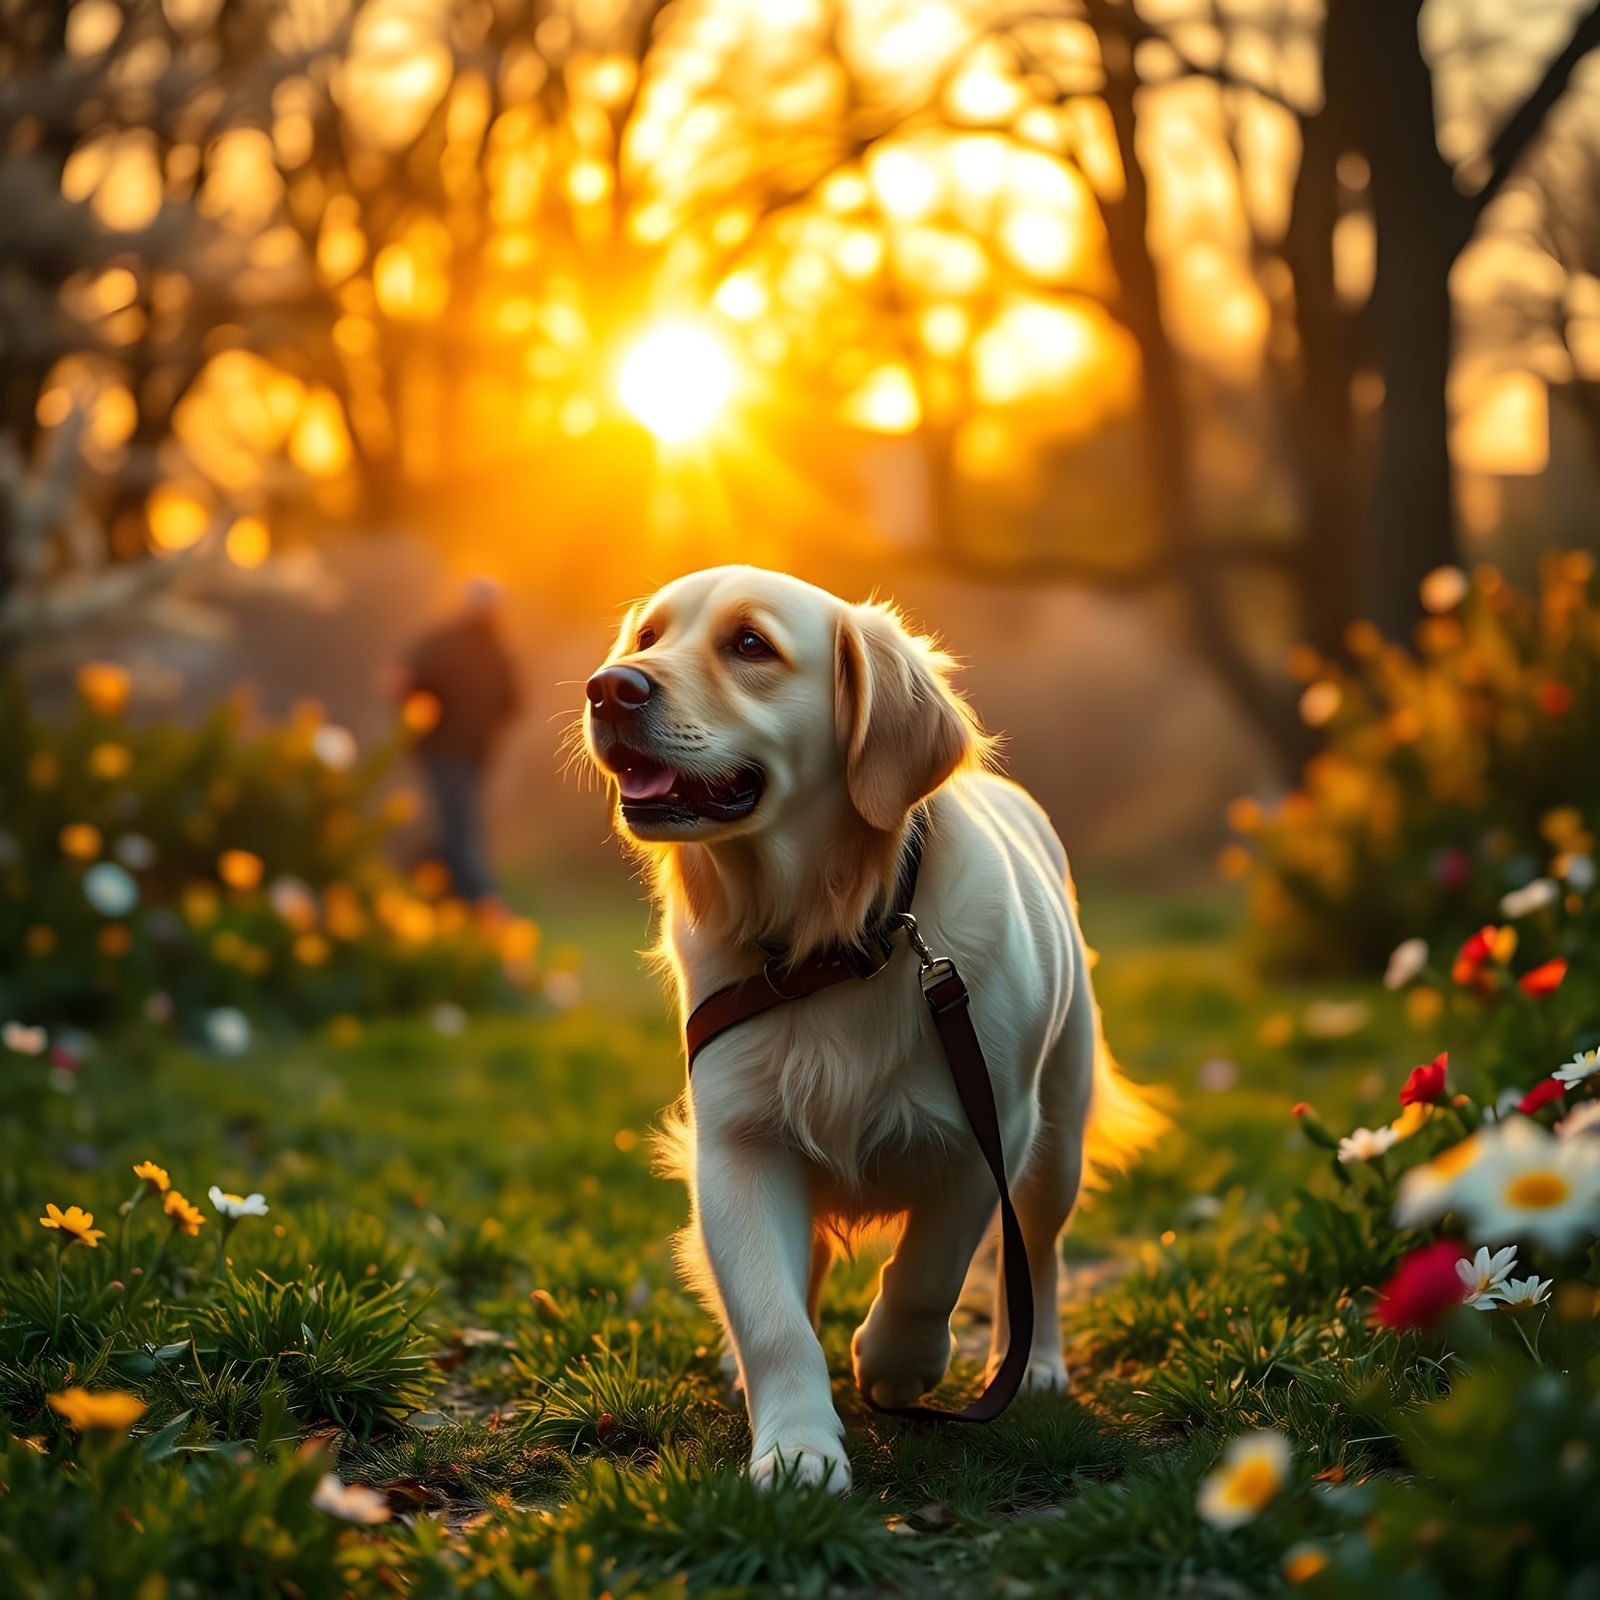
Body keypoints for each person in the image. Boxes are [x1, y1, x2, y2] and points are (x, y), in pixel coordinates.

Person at [395, 577, 521, 905]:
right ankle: (482, 900)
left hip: (450, 752)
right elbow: (512, 705)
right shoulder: (492, 651)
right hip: (458, 753)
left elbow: (404, 683)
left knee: (455, 828)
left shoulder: (448, 644)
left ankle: (431, 889)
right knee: (459, 828)